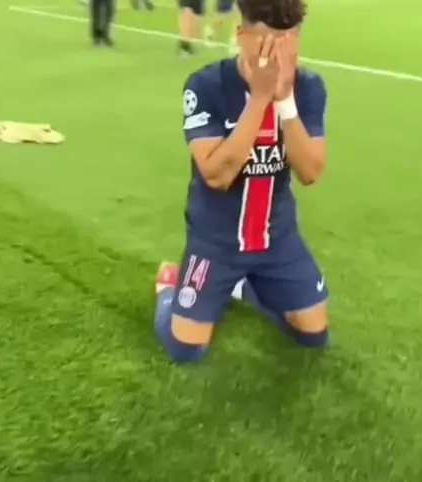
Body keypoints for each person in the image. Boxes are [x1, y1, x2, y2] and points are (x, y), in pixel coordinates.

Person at [154, 0, 330, 363]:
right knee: (186, 350)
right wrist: (260, 99)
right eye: (266, 43)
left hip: (277, 239)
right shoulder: (207, 85)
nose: (277, 55)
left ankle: (247, 284)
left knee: (313, 336)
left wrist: (285, 103)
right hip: (215, 243)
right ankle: (170, 289)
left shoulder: (309, 87)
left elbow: (310, 172)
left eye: (288, 42)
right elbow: (217, 175)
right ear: (242, 37)